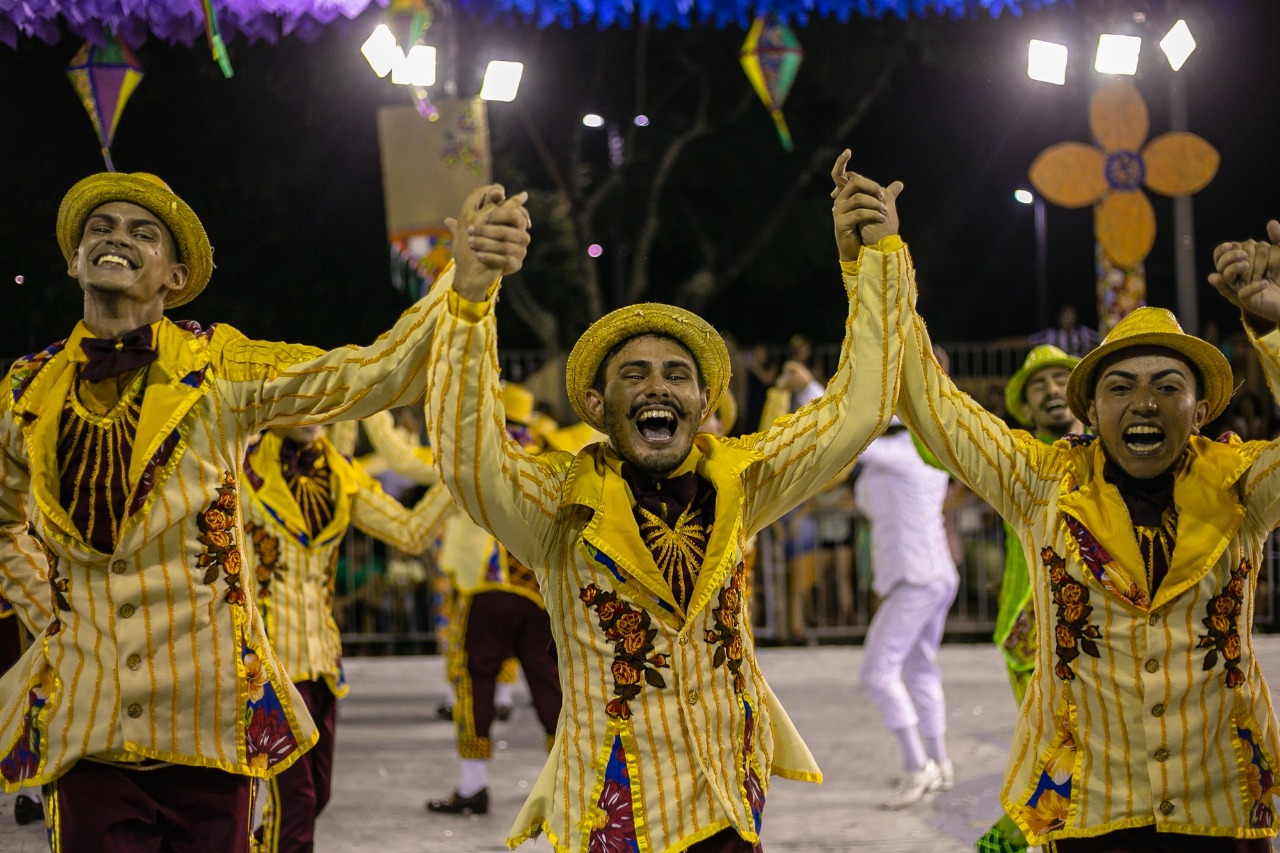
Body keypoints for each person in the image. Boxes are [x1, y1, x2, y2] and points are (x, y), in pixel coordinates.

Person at [0, 173, 529, 851]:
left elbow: (368, 373)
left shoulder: (219, 366)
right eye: (100, 228)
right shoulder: (25, 391)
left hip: (210, 725)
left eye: (143, 232)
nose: (117, 239)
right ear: (74, 259)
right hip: (88, 732)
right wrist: (49, 610)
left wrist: (465, 282)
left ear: (175, 274)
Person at [425, 152, 906, 852]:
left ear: (704, 402)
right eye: (635, 375)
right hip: (613, 814)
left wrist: (873, 266)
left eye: (677, 374)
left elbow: (858, 409)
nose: (658, 386)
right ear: (596, 404)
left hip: (726, 798)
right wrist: (471, 298)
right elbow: (466, 452)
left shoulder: (743, 479)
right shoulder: (556, 505)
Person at [887, 193, 1280, 849]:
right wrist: (881, 262)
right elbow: (930, 407)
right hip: (1090, 810)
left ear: (1202, 408)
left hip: (1224, 805)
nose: (1144, 402)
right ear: (1092, 414)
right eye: (1119, 387)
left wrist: (1274, 326)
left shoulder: (1244, 482)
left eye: (1167, 385)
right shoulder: (1042, 479)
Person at [242, 423, 449, 852]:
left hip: (322, 663)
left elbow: (411, 533)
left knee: (316, 794)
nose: (310, 411)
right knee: (294, 800)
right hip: (266, 667)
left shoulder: (340, 472)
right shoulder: (242, 466)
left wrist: (464, 475)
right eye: (298, 396)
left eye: (322, 399)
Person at [425, 383, 562, 817]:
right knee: (551, 687)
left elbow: (407, 466)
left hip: (486, 589)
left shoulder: (479, 459)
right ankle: (569, 782)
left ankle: (473, 785)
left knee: (475, 683)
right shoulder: (554, 460)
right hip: (540, 591)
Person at [976, 345, 1083, 852]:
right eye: (1038, 384)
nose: (1051, 389)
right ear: (1026, 404)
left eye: (1061, 378)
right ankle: (1022, 836)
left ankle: (1014, 835)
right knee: (1055, 749)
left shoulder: (1121, 453)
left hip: (1106, 636)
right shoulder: (1018, 458)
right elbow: (939, 451)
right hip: (1029, 635)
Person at [853, 418, 958, 809]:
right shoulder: (913, 455)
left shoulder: (903, 453)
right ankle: (940, 762)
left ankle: (919, 765)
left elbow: (850, 438)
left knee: (877, 672)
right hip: (929, 574)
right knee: (919, 668)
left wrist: (808, 390)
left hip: (916, 577)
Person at [1029, 303, 1102, 358]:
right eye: (1065, 316)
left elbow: (1101, 338)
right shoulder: (1051, 334)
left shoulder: (1083, 332)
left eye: (1070, 316)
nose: (1067, 319)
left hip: (1079, 364)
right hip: (1059, 365)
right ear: (1059, 318)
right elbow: (1031, 340)